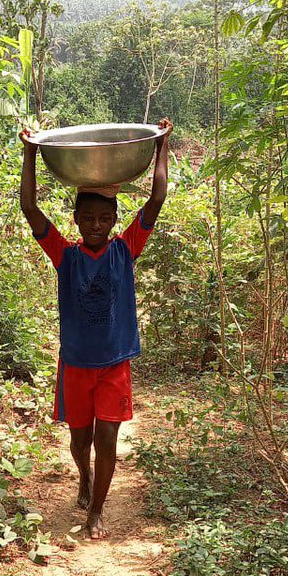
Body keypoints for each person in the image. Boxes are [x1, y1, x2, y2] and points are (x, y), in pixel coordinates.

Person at [19, 118, 172, 539]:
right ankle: (83, 478)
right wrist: (31, 152)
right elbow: (30, 209)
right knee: (79, 441)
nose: (97, 225)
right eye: (88, 218)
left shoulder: (126, 250)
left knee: (107, 439)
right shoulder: (64, 256)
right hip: (76, 365)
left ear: (114, 221)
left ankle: (97, 511)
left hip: (114, 364)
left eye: (105, 218)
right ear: (77, 219)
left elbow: (157, 200)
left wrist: (161, 145)